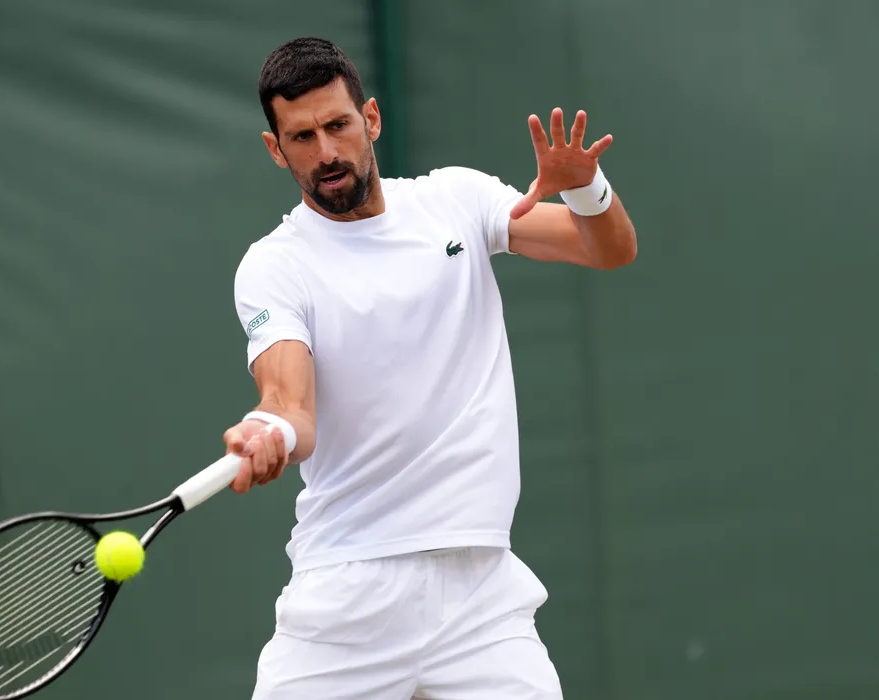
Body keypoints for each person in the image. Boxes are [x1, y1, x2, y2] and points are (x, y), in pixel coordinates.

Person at [222, 37, 637, 700]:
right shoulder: (275, 265)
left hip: (482, 595)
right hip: (349, 591)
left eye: (337, 125)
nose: (326, 153)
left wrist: (587, 187)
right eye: (302, 137)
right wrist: (266, 429)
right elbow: (289, 404)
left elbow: (608, 249)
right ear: (276, 149)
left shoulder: (455, 201)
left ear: (371, 119)